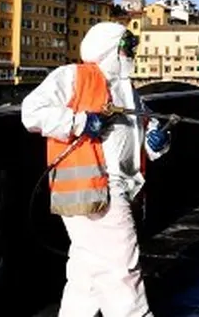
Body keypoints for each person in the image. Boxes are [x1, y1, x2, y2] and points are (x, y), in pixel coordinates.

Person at [21, 21, 174, 317]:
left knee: (87, 278)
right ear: (110, 49)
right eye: (128, 47)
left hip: (112, 191)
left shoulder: (129, 92)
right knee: (122, 270)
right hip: (97, 187)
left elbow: (145, 131)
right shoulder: (72, 76)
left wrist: (158, 141)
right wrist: (80, 122)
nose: (133, 53)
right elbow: (32, 112)